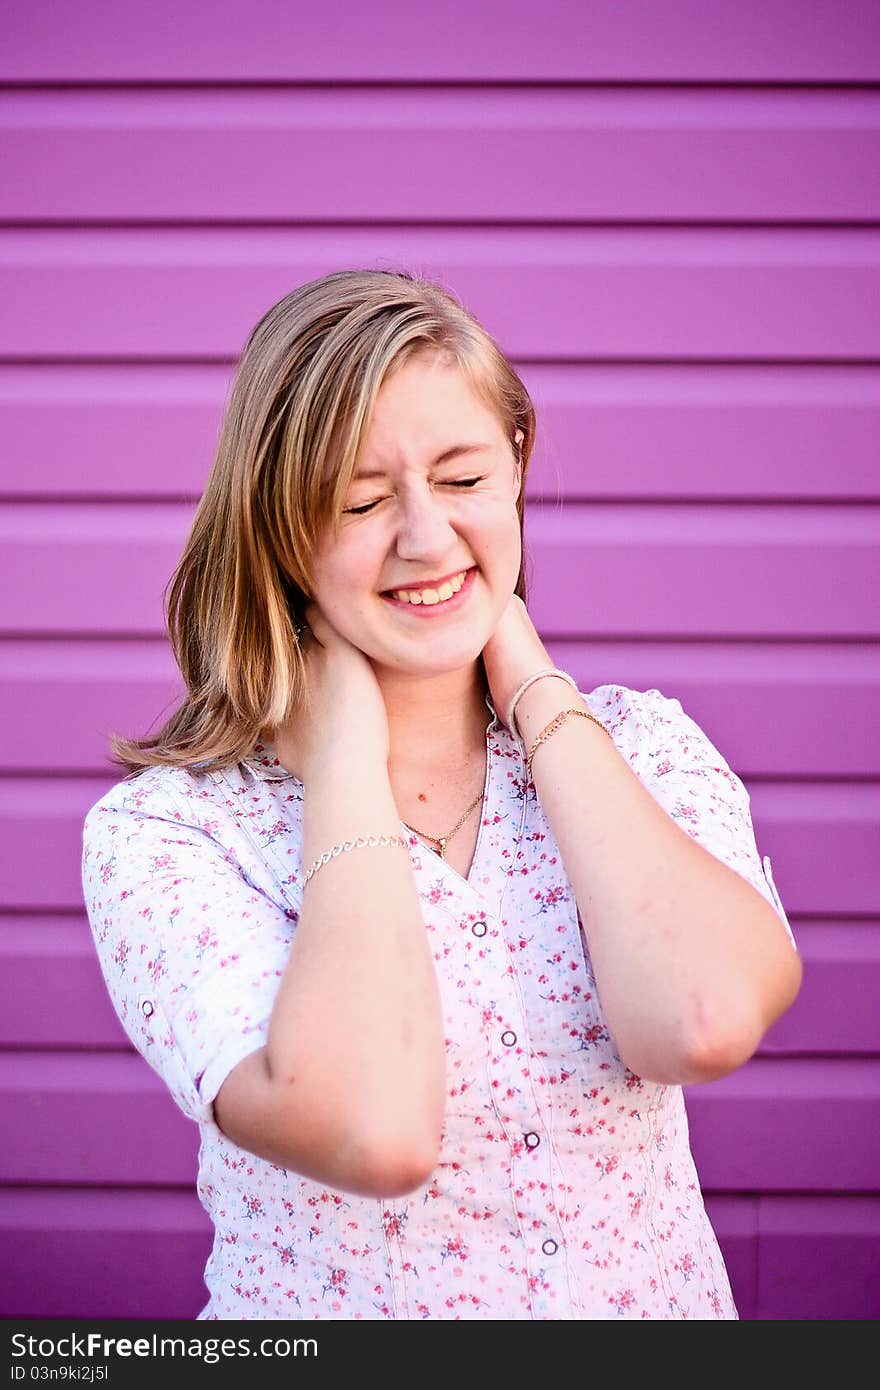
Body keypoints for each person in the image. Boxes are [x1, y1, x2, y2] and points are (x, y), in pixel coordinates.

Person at [81, 268, 802, 1321]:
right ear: (279, 531)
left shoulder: (641, 745)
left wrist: (531, 684)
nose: (425, 538)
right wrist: (341, 763)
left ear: (516, 464)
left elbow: (700, 1019)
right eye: (363, 501)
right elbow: (376, 1129)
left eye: (462, 480)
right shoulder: (172, 836)